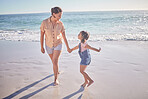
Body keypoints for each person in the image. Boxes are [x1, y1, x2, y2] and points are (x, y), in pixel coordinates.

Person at [40, 7, 70, 85]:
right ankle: (56, 70)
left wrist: (68, 47)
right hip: (48, 45)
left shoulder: (60, 24)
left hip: (58, 44)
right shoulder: (44, 22)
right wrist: (41, 47)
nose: (60, 17)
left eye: (61, 15)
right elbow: (42, 35)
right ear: (54, 14)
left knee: (55, 60)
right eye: (59, 15)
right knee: (54, 61)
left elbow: (64, 36)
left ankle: (55, 79)